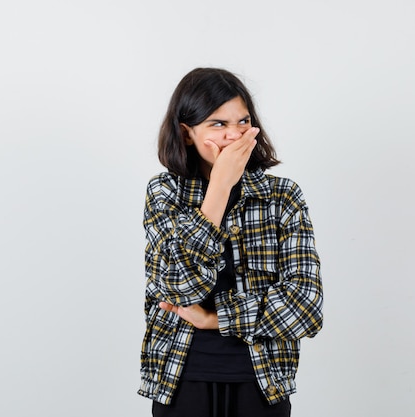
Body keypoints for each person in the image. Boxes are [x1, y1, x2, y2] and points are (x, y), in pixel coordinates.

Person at [137, 67, 323, 417]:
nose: (234, 135)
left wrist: (216, 318)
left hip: (262, 383)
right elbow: (178, 288)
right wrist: (219, 187)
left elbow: (306, 308)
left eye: (242, 122)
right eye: (218, 124)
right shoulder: (164, 193)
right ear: (187, 133)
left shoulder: (282, 197)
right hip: (181, 380)